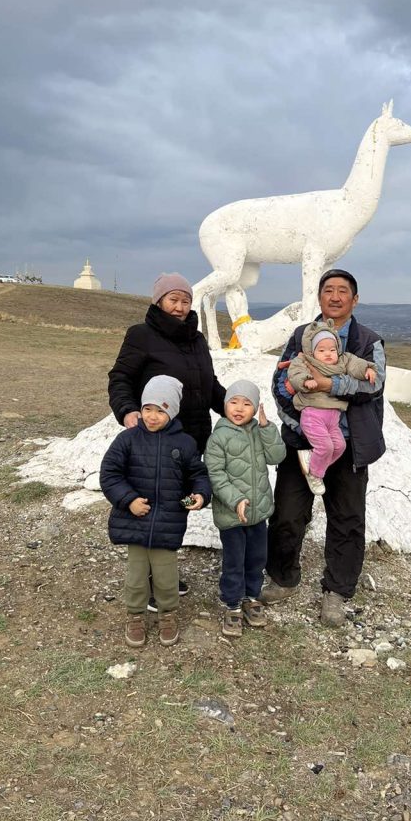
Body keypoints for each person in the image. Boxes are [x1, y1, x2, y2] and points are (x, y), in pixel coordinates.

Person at [262, 269, 386, 626]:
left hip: (349, 444)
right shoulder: (301, 335)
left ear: (354, 299)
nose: (335, 296)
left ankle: (337, 590)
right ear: (319, 297)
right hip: (304, 440)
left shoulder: (368, 341)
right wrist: (298, 422)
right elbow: (280, 381)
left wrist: (330, 385)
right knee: (287, 513)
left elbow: (374, 386)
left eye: (342, 291)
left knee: (347, 518)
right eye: (328, 290)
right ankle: (283, 577)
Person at [108, 272, 225, 608]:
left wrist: (234, 407)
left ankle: (163, 574)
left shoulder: (197, 340)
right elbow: (120, 378)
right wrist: (127, 410)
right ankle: (146, 583)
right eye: (173, 299)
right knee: (149, 506)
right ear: (158, 301)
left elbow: (209, 386)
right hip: (151, 440)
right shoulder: (141, 335)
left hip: (189, 440)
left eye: (186, 300)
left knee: (175, 509)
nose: (180, 306)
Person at [100, 375, 211, 648]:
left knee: (166, 575)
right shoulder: (127, 439)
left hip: (168, 522)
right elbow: (110, 474)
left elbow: (198, 475)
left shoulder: (184, 443)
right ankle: (135, 616)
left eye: (160, 410)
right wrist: (129, 500)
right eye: (147, 408)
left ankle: (167, 614)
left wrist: (199, 495)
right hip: (135, 520)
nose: (152, 416)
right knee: (136, 576)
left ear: (172, 412)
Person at [205, 381, 286, 637]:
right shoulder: (218, 438)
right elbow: (216, 476)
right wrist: (236, 500)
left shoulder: (260, 432)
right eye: (234, 402)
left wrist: (267, 428)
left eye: (247, 403)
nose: (239, 408)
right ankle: (232, 604)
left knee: (256, 558)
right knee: (234, 561)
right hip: (231, 515)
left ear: (256, 408)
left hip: (257, 512)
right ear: (225, 405)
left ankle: (252, 597)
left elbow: (277, 457)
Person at [286, 319, 376, 495]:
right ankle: (315, 474)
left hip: (333, 419)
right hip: (313, 414)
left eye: (332, 349)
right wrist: (305, 381)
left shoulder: (343, 360)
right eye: (321, 350)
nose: (328, 354)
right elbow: (295, 374)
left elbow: (356, 364)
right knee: (326, 447)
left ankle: (312, 463)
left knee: (339, 446)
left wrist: (367, 369)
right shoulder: (304, 360)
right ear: (312, 350)